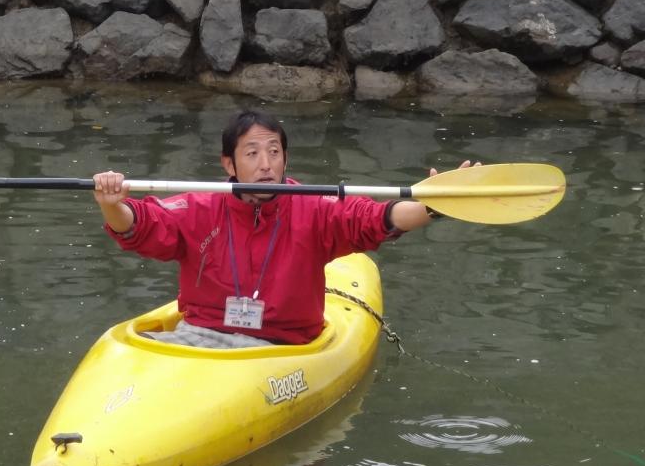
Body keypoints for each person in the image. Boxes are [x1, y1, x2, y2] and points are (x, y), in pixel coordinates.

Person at [93, 109, 472, 348]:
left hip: (282, 347)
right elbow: (141, 226)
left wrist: (432, 205)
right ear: (229, 164)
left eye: (274, 152)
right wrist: (112, 205)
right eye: (252, 153)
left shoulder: (316, 208)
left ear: (286, 159)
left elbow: (377, 219)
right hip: (201, 338)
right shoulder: (200, 207)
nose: (265, 164)